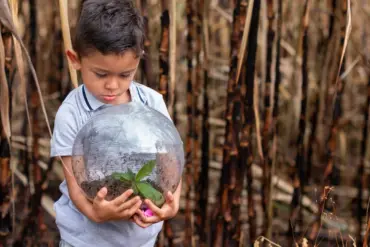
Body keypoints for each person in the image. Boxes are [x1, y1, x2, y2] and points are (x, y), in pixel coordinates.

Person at [50, 1, 181, 246]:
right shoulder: (72, 113)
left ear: (138, 61)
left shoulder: (151, 102)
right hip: (85, 240)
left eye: (125, 75)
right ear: (75, 59)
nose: (113, 85)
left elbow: (170, 162)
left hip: (140, 239)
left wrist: (173, 203)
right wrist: (95, 213)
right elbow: (75, 184)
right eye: (101, 74)